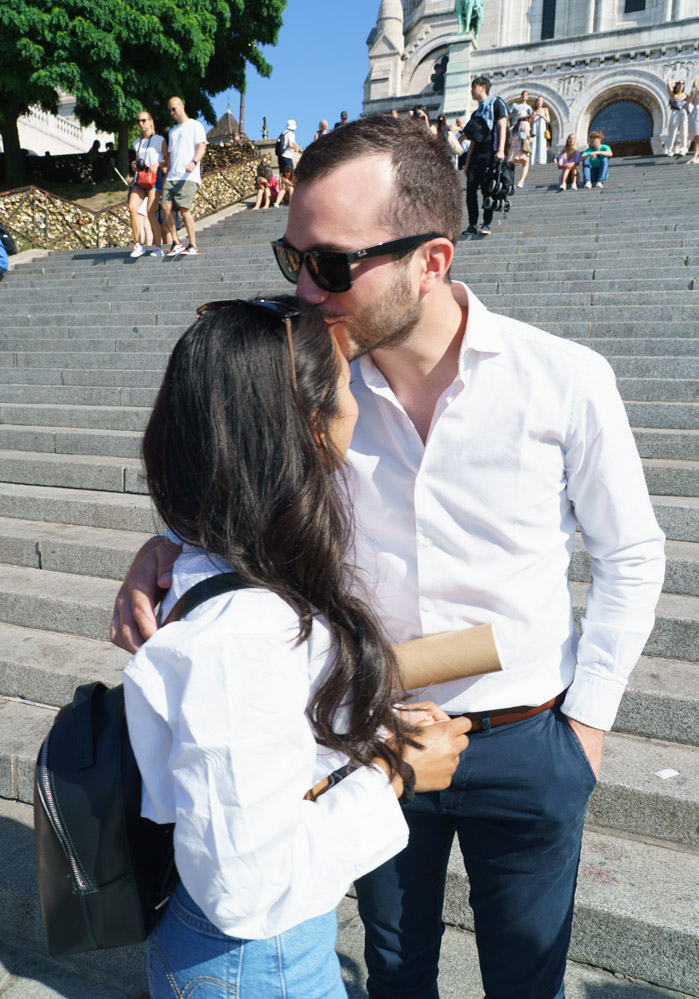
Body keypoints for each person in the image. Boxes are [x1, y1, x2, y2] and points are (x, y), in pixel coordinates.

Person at [112, 114, 666, 999]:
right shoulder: (306, 383)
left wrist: (586, 728)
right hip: (364, 734)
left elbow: (630, 553)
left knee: (528, 974)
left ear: (431, 260)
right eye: (289, 257)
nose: (302, 287)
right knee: (395, 967)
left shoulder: (562, 378)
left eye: (330, 264)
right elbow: (244, 477)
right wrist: (173, 544)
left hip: (527, 734)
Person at [122, 296, 469, 999]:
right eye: (346, 387)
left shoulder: (213, 558)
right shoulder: (246, 633)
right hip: (255, 960)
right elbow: (244, 885)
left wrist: (368, 734)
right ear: (310, 428)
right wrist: (394, 774)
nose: (357, 404)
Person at [161, 96, 207, 257]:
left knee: (183, 208)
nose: (172, 113)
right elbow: (171, 156)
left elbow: (201, 147)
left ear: (182, 106)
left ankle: (193, 244)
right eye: (170, 110)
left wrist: (194, 162)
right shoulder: (173, 131)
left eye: (174, 109)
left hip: (188, 175)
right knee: (165, 206)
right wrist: (166, 175)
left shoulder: (195, 125)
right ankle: (176, 242)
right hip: (173, 175)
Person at [462, 75, 508, 235]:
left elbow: (502, 125)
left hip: (491, 151)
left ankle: (486, 223)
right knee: (470, 190)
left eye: (473, 87)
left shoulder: (497, 103)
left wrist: (501, 149)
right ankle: (472, 224)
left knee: (488, 189)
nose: (471, 91)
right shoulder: (476, 113)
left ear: (482, 87)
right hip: (476, 156)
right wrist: (467, 163)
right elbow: (473, 140)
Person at [128, 111, 167, 259]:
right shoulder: (137, 142)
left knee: (151, 213)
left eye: (144, 120)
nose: (141, 124)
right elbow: (138, 161)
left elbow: (168, 160)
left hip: (154, 177)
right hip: (140, 178)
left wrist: (158, 164)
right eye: (139, 121)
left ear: (151, 122)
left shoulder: (160, 140)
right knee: (132, 207)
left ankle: (158, 247)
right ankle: (138, 243)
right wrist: (134, 166)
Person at [666, 79, 689, 156]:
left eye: (682, 84)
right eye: (679, 83)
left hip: (684, 113)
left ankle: (683, 149)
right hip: (675, 113)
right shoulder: (673, 95)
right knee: (673, 131)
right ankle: (670, 149)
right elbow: (668, 84)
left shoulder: (686, 95)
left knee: (684, 131)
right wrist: (675, 81)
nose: (680, 85)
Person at [508, 112, 532, 188]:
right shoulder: (526, 124)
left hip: (513, 147)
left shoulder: (514, 127)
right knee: (525, 164)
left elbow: (510, 139)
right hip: (522, 146)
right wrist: (530, 138)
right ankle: (521, 181)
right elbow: (526, 134)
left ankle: (509, 181)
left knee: (512, 163)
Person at [530, 95, 551, 165]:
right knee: (534, 144)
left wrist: (542, 116)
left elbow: (548, 120)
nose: (539, 102)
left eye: (541, 100)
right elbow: (530, 122)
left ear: (542, 102)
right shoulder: (534, 111)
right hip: (534, 128)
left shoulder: (545, 110)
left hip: (542, 128)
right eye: (538, 100)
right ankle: (532, 161)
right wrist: (532, 117)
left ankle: (541, 161)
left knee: (542, 143)